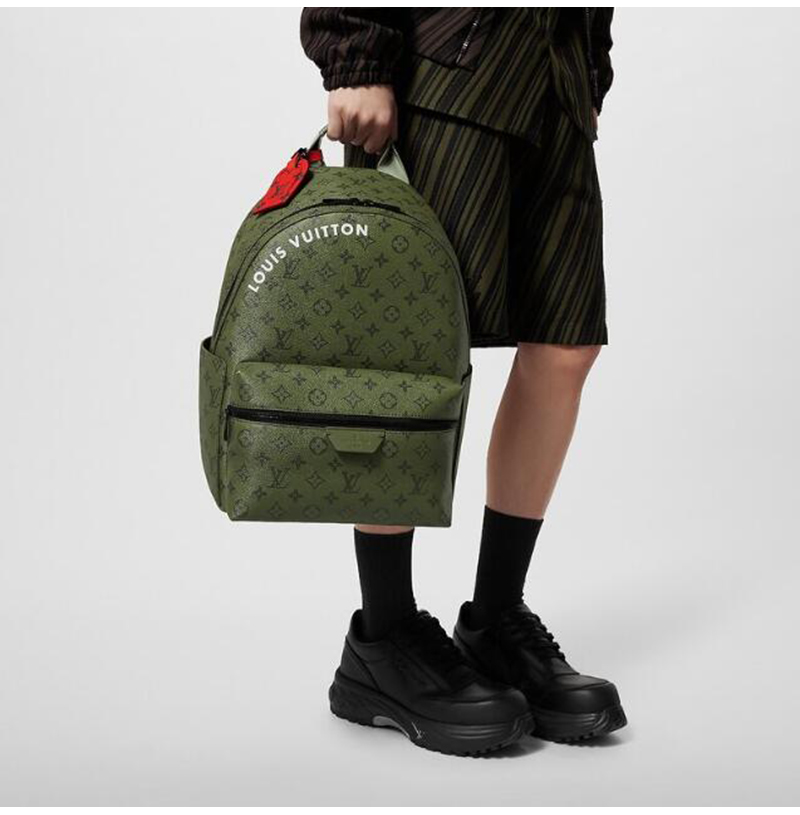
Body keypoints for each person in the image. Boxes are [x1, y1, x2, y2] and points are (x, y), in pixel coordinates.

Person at [300, 7, 626, 755]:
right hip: (443, 68)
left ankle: (495, 620)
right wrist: (355, 53)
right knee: (408, 357)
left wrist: (590, 67)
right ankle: (383, 636)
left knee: (566, 343)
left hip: (553, 73)